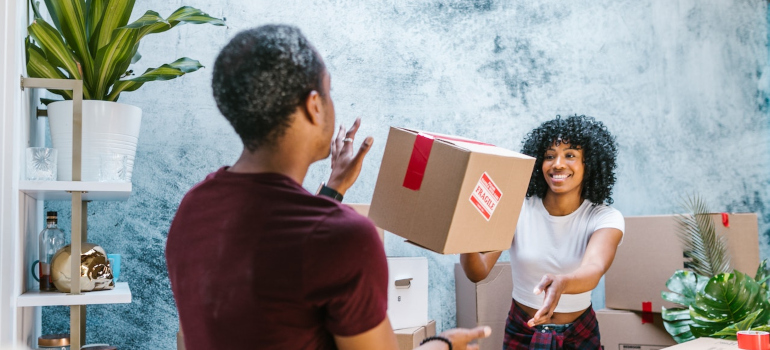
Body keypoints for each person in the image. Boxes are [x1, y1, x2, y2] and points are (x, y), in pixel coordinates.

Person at [165, 24, 490, 350]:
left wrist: (333, 189)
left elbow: (274, 298)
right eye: (329, 91)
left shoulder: (193, 208)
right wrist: (441, 344)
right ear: (314, 105)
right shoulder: (345, 239)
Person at [460, 115, 624, 349]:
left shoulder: (605, 217)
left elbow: (594, 268)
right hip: (523, 330)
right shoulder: (516, 208)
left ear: (590, 163)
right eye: (549, 156)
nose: (557, 164)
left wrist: (562, 283)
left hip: (580, 333)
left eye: (570, 155)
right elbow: (478, 271)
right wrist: (462, 234)